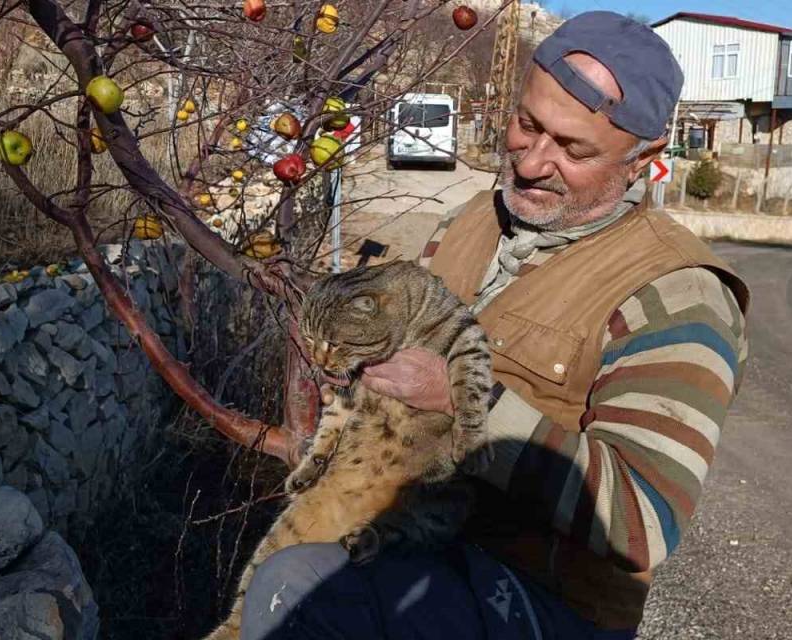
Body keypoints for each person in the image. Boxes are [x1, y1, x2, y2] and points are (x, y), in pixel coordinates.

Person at [241, 11, 750, 640]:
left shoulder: (679, 292)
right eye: (527, 125)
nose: (534, 162)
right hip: (415, 535)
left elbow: (642, 522)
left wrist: (461, 397)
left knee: (305, 593)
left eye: (573, 149)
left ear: (644, 157)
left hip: (544, 601)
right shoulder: (465, 223)